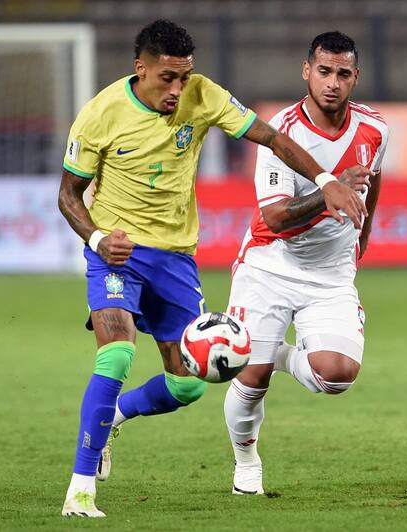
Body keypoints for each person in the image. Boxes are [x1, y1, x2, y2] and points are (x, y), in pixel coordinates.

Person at [57, 19, 370, 517]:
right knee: (115, 356)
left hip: (176, 259)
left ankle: (112, 416)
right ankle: (80, 488)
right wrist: (96, 237)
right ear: (141, 69)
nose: (178, 89)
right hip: (115, 253)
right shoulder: (99, 115)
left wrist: (327, 179)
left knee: (189, 384)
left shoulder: (204, 96)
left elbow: (272, 138)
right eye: (168, 78)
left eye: (185, 77)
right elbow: (67, 195)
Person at [222, 31, 388, 495]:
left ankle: (270, 351)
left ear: (355, 77)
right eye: (323, 71)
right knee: (250, 381)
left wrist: (365, 232)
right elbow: (274, 217)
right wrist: (327, 193)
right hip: (270, 267)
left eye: (342, 73)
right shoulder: (282, 132)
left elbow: (373, 180)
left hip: (331, 273)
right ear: (306, 71)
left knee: (335, 376)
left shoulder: (375, 129)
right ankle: (246, 459)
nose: (332, 82)